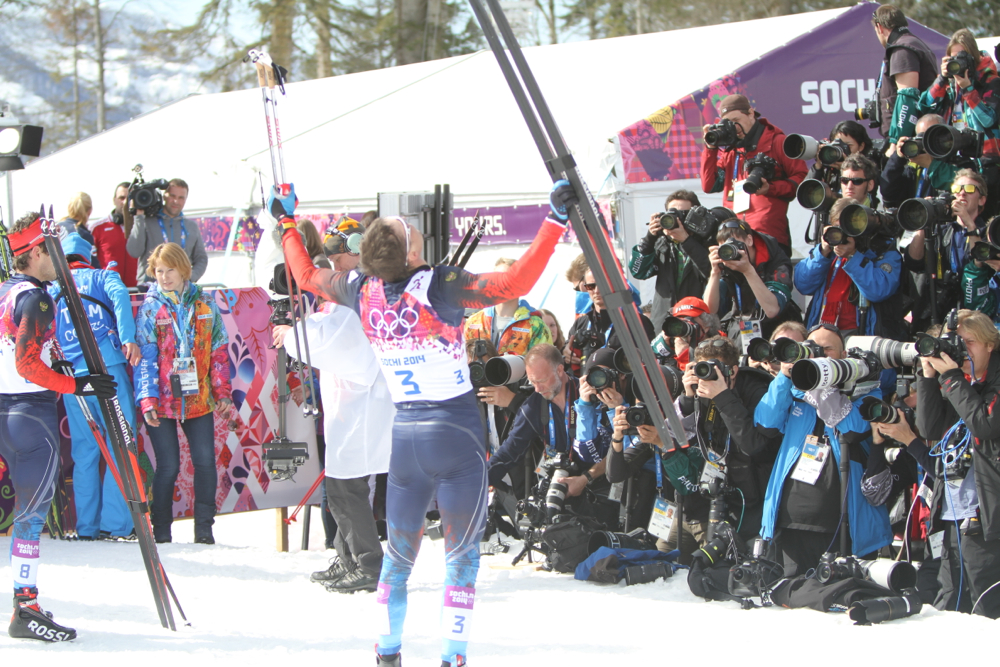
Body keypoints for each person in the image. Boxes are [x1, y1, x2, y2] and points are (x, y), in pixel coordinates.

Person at [271, 180, 575, 667]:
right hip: (455, 437)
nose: (411, 226)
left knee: (399, 558)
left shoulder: (362, 288)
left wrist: (287, 223)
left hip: (407, 439)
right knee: (460, 560)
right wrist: (555, 221)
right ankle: (452, 657)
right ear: (410, 250)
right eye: (406, 228)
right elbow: (514, 284)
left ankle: (387, 654)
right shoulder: (438, 284)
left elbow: (306, 275)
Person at [1, 212, 117, 642]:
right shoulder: (38, 298)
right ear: (34, 253)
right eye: (52, 250)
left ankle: (25, 604)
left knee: (27, 514)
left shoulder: (7, 290)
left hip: (8, 410)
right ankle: (25, 608)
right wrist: (78, 383)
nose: (60, 258)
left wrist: (55, 361)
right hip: (27, 413)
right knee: (30, 517)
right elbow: (26, 363)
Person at [885, 310, 1000, 617]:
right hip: (951, 516)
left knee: (986, 606)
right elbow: (930, 429)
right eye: (955, 344)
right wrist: (928, 375)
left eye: (969, 343)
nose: (962, 351)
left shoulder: (985, 382)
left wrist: (951, 377)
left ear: (991, 344)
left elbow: (985, 425)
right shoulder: (960, 384)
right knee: (950, 605)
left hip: (988, 521)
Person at [272, 301, 393, 593]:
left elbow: (334, 346)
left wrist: (292, 335)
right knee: (340, 488)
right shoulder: (343, 303)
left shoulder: (355, 304)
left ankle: (368, 564)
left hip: (361, 414)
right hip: (350, 414)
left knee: (346, 489)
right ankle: (349, 557)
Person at [755, 324, 893, 577]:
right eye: (813, 347)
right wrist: (785, 377)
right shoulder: (794, 390)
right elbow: (766, 422)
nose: (819, 354)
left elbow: (852, 428)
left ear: (843, 355)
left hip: (844, 520)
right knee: (796, 598)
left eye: (827, 349)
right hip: (793, 516)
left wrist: (823, 384)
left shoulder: (865, 388)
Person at [133, 243, 232, 545]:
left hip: (198, 397)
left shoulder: (205, 303)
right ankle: (161, 531)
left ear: (184, 269)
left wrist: (222, 392)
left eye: (169, 270)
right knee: (169, 466)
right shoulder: (150, 307)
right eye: (158, 271)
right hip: (162, 402)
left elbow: (218, 352)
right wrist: (147, 399)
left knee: (204, 461)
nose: (163, 277)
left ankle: (204, 529)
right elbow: (146, 358)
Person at [49, 231, 141, 541]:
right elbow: (121, 296)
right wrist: (127, 337)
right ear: (88, 255)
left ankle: (86, 527)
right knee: (121, 445)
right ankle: (115, 526)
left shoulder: (52, 288)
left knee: (85, 451)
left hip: (72, 379)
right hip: (107, 368)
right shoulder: (103, 275)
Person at [674, 337, 780, 541]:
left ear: (733, 370)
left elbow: (753, 444)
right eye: (702, 368)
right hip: (719, 492)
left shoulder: (757, 389)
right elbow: (685, 440)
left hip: (757, 495)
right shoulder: (700, 391)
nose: (708, 375)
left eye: (716, 369)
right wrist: (688, 398)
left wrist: (722, 396)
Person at [699, 94, 807, 254]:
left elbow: (802, 180)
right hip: (734, 235)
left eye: (737, 120)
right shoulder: (732, 151)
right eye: (729, 123)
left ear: (751, 113)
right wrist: (710, 147)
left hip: (769, 236)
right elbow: (709, 185)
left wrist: (770, 188)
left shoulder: (778, 141)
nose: (735, 127)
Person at [794, 197, 903, 339]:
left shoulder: (883, 252)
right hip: (822, 330)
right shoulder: (827, 253)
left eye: (848, 228)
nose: (843, 234)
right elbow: (803, 285)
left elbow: (878, 290)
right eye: (838, 228)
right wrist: (822, 252)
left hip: (860, 333)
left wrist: (853, 256)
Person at [905, 168, 989, 331]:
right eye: (957, 189)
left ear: (982, 200)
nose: (962, 194)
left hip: (973, 316)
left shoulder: (987, 234)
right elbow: (914, 262)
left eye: (970, 189)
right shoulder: (940, 231)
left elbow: (982, 264)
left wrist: (969, 225)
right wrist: (924, 221)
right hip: (937, 315)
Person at [628, 190, 712, 331]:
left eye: (683, 215)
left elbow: (711, 271)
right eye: (672, 214)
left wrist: (686, 240)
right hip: (664, 322)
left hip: (697, 321)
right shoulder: (662, 243)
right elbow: (638, 272)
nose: (677, 219)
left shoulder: (707, 242)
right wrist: (649, 239)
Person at [703, 219, 798, 345]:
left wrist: (748, 270)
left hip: (777, 331)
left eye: (736, 244)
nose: (732, 251)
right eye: (725, 247)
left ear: (749, 239)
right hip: (742, 329)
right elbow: (709, 310)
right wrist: (715, 272)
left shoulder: (775, 260)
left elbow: (772, 310)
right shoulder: (727, 263)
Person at [918, 28, 1000, 161]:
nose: (957, 62)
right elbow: (924, 107)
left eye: (961, 57)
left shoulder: (990, 80)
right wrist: (942, 79)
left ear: (973, 57)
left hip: (983, 157)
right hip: (953, 154)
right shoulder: (949, 83)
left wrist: (968, 89)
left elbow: (989, 120)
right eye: (953, 58)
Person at [565, 268, 654, 374]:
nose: (597, 290)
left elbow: (650, 363)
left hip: (622, 387)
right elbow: (566, 356)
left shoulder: (637, 322)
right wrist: (566, 352)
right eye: (591, 286)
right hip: (586, 386)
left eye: (602, 285)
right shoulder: (581, 323)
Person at [871, 4, 937, 143]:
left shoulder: (902, 49)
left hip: (908, 142)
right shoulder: (914, 43)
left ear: (879, 27)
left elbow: (907, 99)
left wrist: (897, 141)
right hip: (916, 137)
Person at [126, 178, 209, 284]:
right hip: (150, 289)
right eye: (172, 196)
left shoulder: (191, 226)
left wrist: (190, 277)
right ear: (164, 196)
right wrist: (139, 218)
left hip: (181, 290)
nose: (176, 201)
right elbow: (134, 251)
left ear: (185, 199)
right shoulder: (146, 222)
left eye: (181, 198)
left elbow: (201, 258)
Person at [90, 182, 138, 287]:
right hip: (108, 290)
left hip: (138, 291)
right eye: (121, 198)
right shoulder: (97, 227)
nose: (125, 202)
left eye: (129, 198)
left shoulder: (143, 226)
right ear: (114, 200)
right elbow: (89, 261)